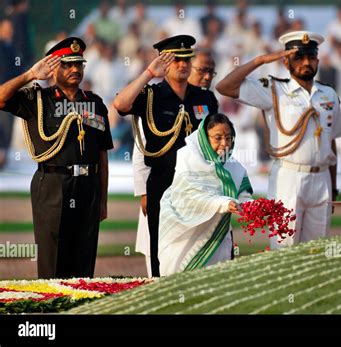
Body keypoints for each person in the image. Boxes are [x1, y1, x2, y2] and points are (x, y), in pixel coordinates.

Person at [216, 31, 341, 248]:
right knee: (283, 246)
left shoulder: (328, 94)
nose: (306, 63)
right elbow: (224, 87)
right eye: (299, 57)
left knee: (317, 249)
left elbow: (330, 142)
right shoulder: (274, 89)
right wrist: (260, 60)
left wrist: (333, 187)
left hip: (322, 178)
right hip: (289, 177)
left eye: (311, 57)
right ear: (286, 62)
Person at [0, 37, 113, 278]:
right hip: (53, 185)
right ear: (53, 69)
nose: (75, 69)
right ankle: (51, 311)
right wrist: (30, 74)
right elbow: (1, 98)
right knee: (53, 262)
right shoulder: (38, 99)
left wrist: (102, 200)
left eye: (79, 64)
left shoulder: (95, 103)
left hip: (88, 186)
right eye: (67, 64)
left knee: (84, 262)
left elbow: (102, 155)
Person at [113, 35, 218, 277]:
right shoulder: (151, 95)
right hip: (163, 181)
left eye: (186, 59)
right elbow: (120, 105)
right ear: (164, 63)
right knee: (161, 245)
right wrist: (149, 73)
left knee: (196, 243)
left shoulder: (204, 98)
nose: (182, 64)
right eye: (175, 60)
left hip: (197, 182)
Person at [159, 113, 252, 276]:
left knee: (216, 285)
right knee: (180, 285)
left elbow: (243, 194)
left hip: (218, 239)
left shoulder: (233, 166)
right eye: (218, 138)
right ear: (204, 138)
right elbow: (189, 197)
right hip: (186, 237)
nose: (225, 144)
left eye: (228, 138)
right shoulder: (187, 157)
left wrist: (248, 206)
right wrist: (223, 203)